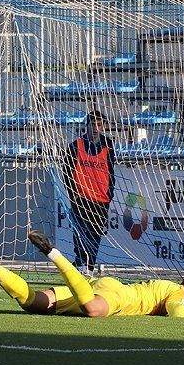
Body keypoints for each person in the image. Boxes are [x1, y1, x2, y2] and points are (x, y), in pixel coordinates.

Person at [0, 230, 184, 318]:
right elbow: (177, 311)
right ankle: (53, 253)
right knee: (93, 310)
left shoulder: (170, 288)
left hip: (100, 285)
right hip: (120, 297)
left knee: (36, 304)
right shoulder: (176, 293)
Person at [62, 110, 116, 275]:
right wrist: (73, 195)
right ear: (87, 126)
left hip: (100, 199)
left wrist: (109, 193)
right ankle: (80, 264)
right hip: (81, 197)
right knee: (79, 233)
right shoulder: (75, 145)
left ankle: (89, 266)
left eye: (99, 125)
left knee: (95, 235)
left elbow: (111, 171)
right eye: (93, 124)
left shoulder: (108, 145)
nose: (95, 128)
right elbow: (67, 172)